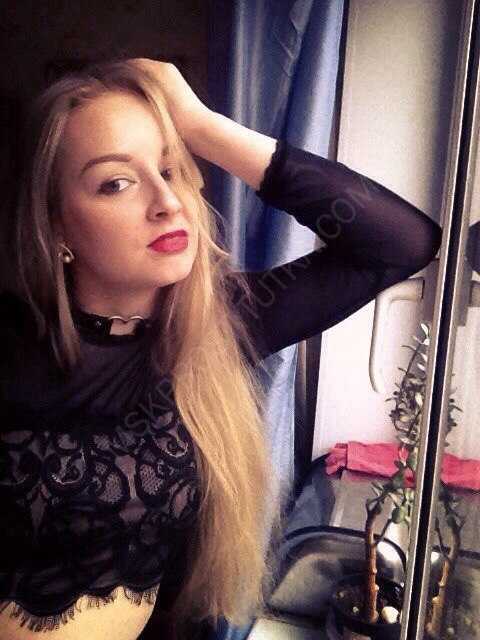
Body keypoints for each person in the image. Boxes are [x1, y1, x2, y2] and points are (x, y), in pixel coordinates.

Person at [0, 58, 442, 640]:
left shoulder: (220, 326)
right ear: (56, 226)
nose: (168, 201)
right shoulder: (12, 342)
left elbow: (402, 242)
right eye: (117, 182)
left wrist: (202, 127)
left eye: (170, 168)